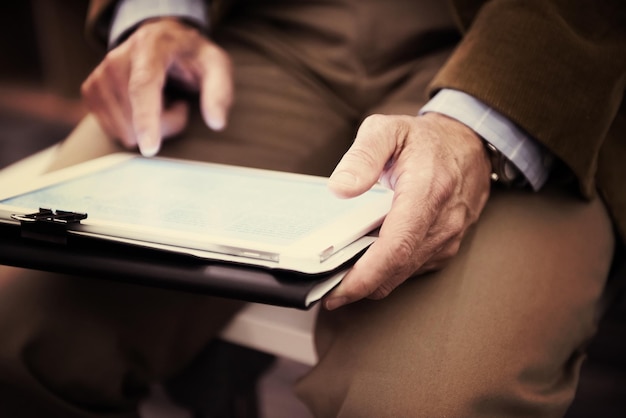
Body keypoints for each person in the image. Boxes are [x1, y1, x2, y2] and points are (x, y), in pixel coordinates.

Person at [0, 0, 624, 416]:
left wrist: (478, 129)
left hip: (524, 52)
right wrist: (156, 13)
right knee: (17, 323)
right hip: (262, 30)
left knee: (425, 401)